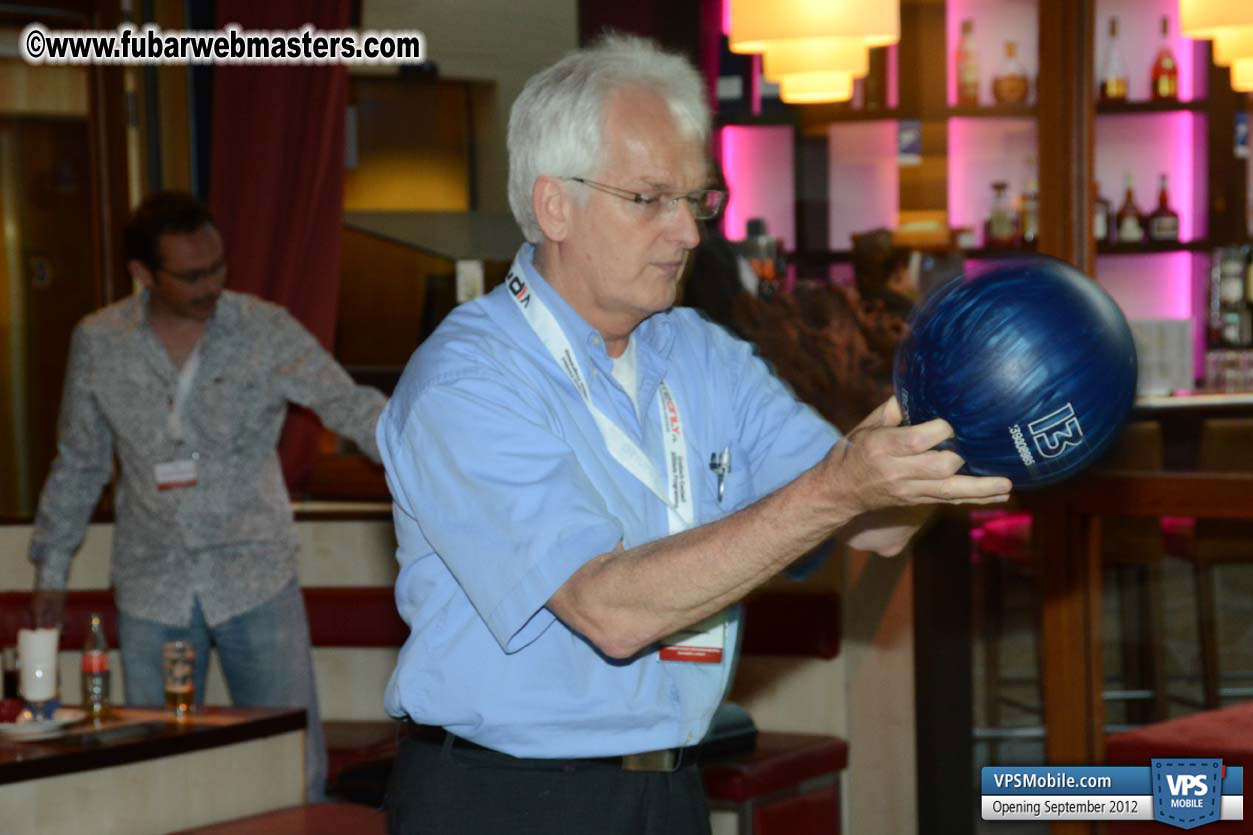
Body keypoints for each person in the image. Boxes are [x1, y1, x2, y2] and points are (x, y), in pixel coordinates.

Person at [377, 35, 1011, 835]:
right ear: (553, 204)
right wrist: (841, 484)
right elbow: (608, 608)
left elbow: (876, 526)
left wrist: (970, 423)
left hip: (671, 789)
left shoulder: (702, 354)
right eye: (649, 199)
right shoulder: (468, 380)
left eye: (697, 200)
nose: (687, 233)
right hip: (504, 800)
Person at [27, 190, 386, 801]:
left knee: (291, 765)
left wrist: (433, 460)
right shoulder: (99, 340)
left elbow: (348, 405)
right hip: (152, 583)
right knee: (156, 768)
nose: (212, 285)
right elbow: (80, 462)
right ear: (142, 274)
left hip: (255, 574)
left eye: (218, 266)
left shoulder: (264, 328)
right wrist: (52, 570)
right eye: (192, 275)